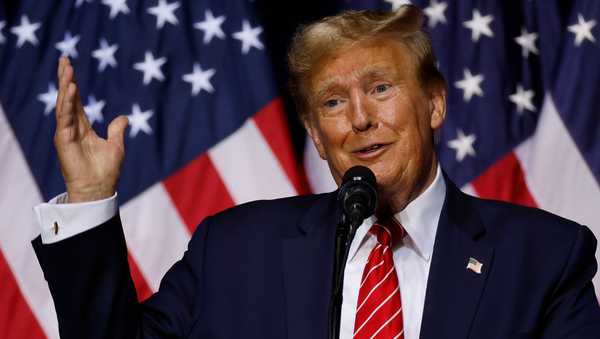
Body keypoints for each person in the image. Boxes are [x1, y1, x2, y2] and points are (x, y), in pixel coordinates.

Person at [33, 5, 600, 339]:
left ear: (434, 104)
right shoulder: (232, 251)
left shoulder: (543, 258)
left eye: (380, 88)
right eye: (332, 103)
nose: (358, 119)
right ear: (314, 134)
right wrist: (88, 197)